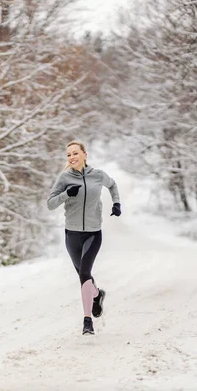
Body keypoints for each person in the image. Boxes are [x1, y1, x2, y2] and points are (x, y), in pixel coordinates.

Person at [47, 141, 122, 335]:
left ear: (84, 155)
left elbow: (112, 185)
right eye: (68, 155)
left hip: (93, 233)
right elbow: (50, 204)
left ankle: (87, 321)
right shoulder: (64, 178)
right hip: (72, 234)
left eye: (75, 153)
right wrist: (65, 194)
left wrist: (116, 204)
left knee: (84, 274)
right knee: (84, 275)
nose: (71, 157)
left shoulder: (97, 175)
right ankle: (97, 294)